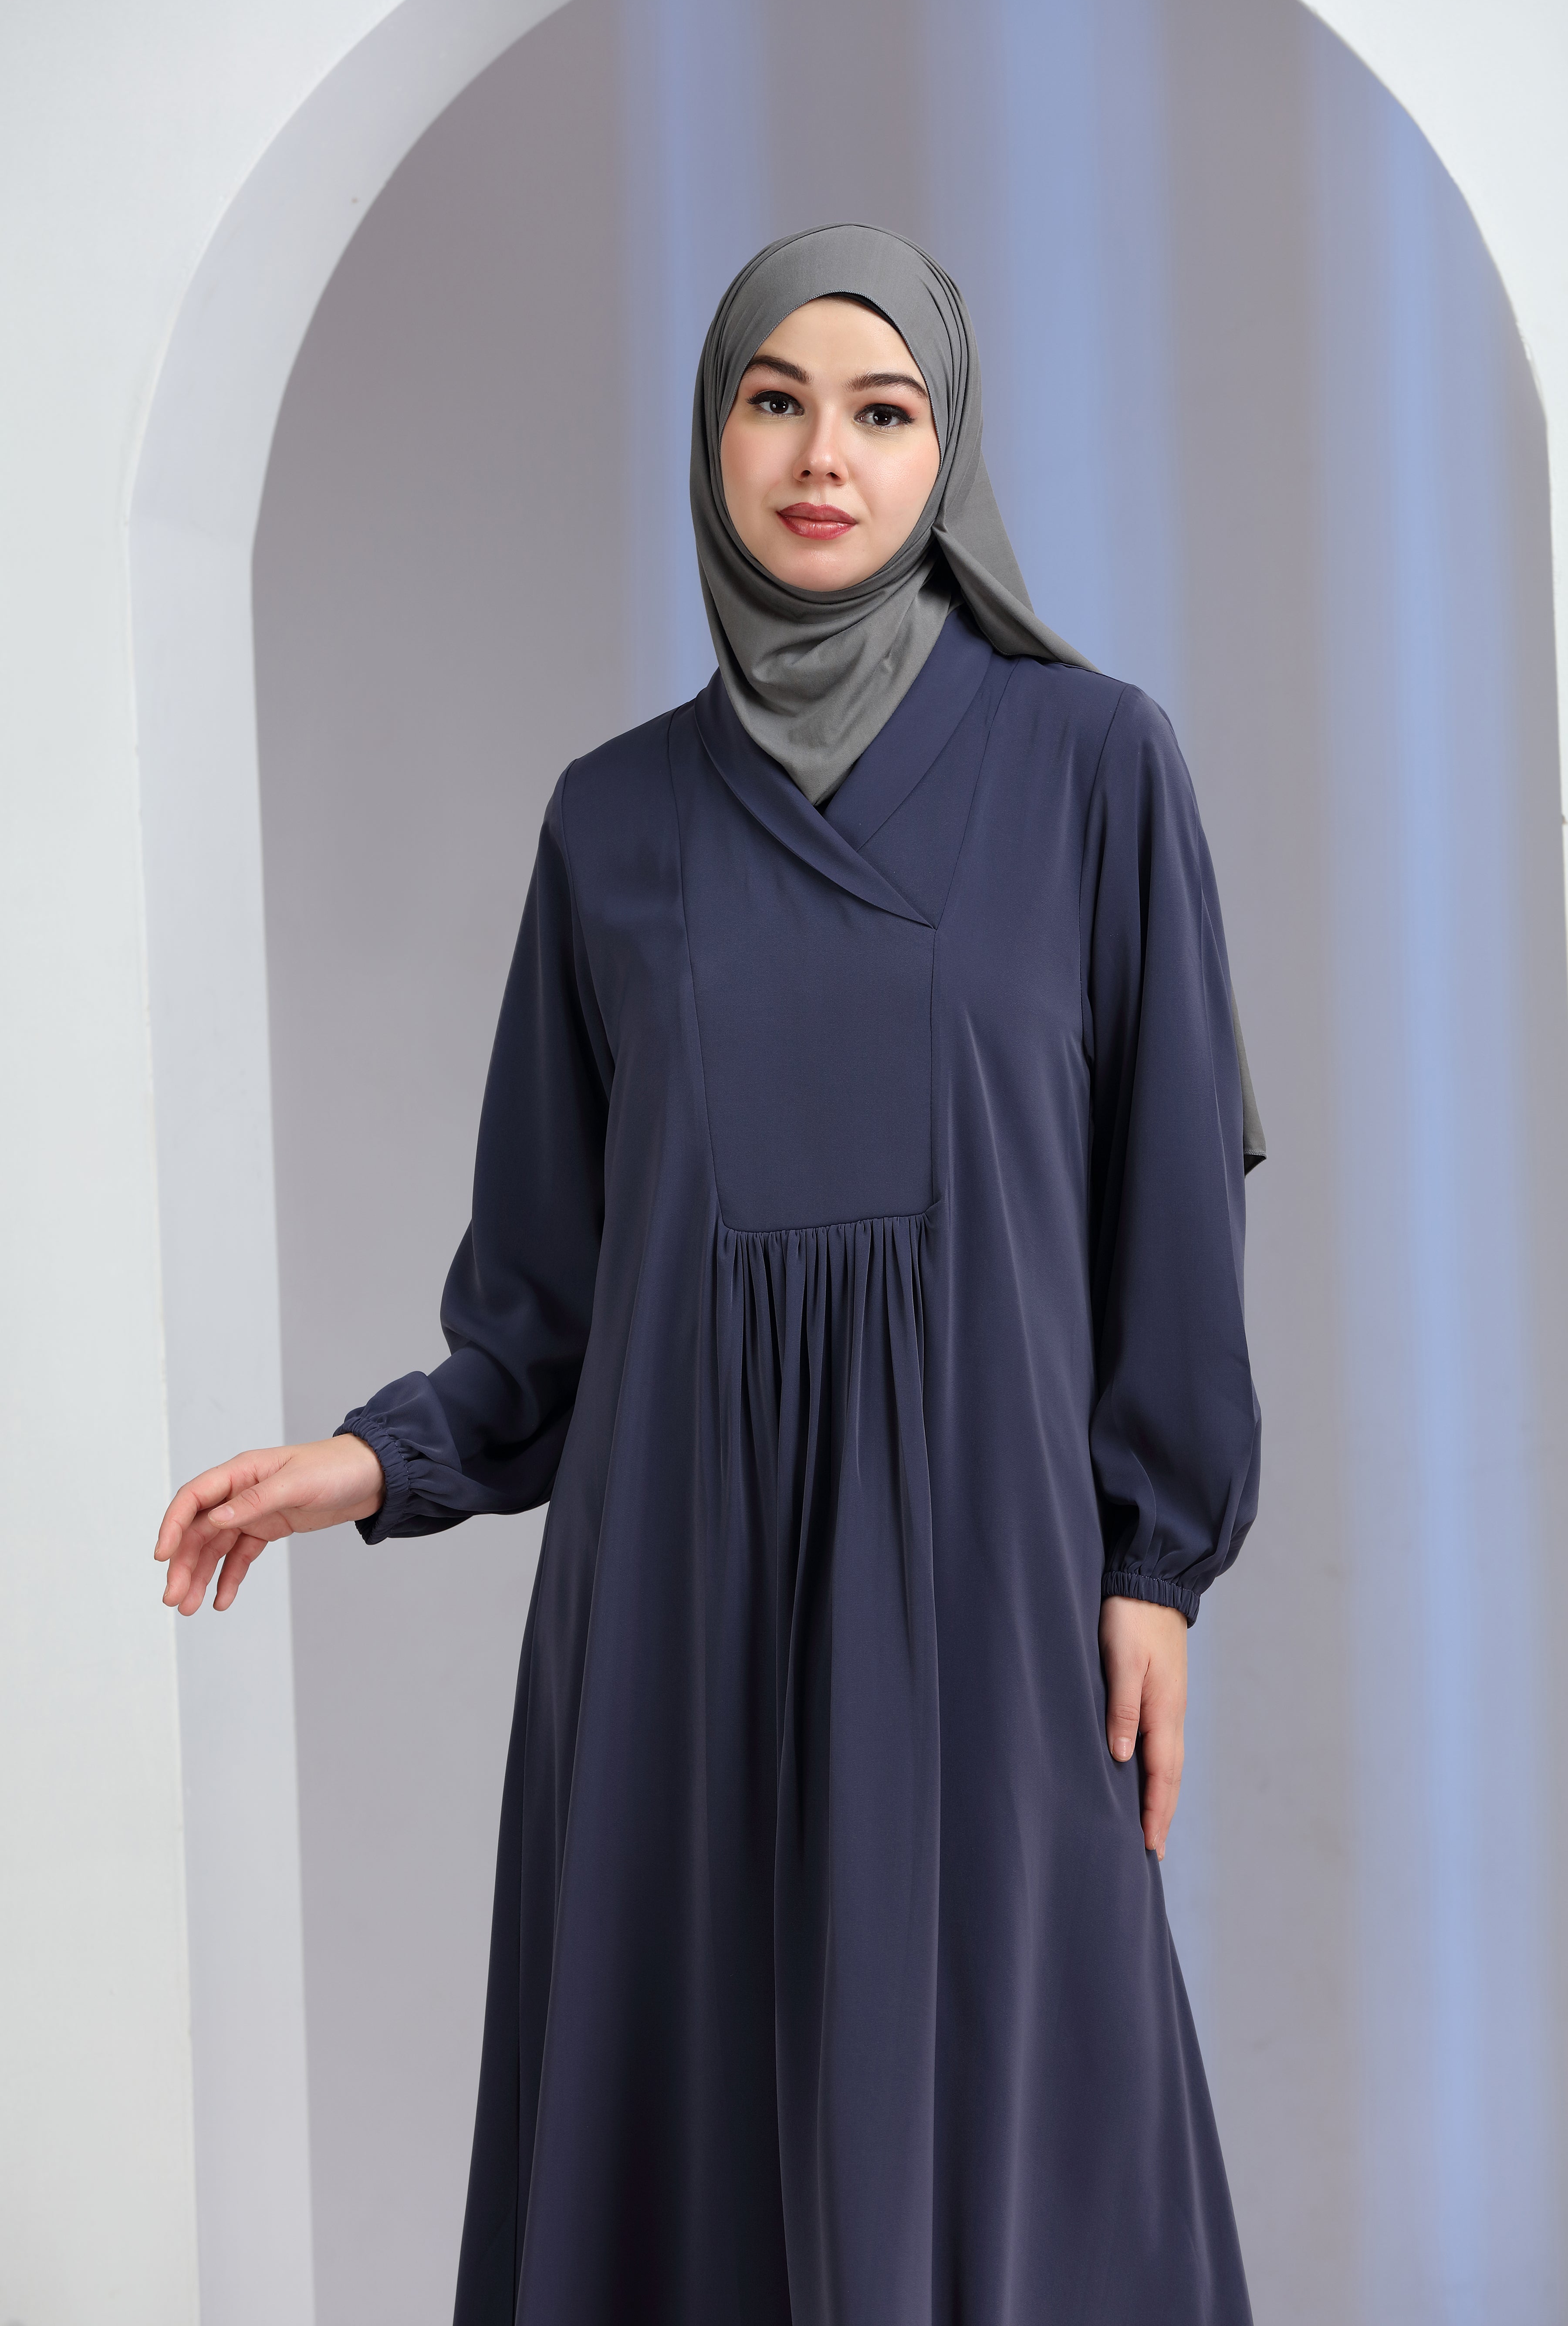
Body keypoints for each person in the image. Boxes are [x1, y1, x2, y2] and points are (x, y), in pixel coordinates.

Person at [156, 224, 1264, 2326]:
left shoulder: (1098, 768)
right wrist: (372, 1463)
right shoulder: (613, 829)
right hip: (672, 1611)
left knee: (1002, 2138)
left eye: (882, 410)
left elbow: (1173, 1201)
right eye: (775, 401)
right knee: (691, 2154)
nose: (822, 456)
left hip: (988, 1594)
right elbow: (546, 1308)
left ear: (948, 450)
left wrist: (1157, 1565)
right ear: (715, 436)